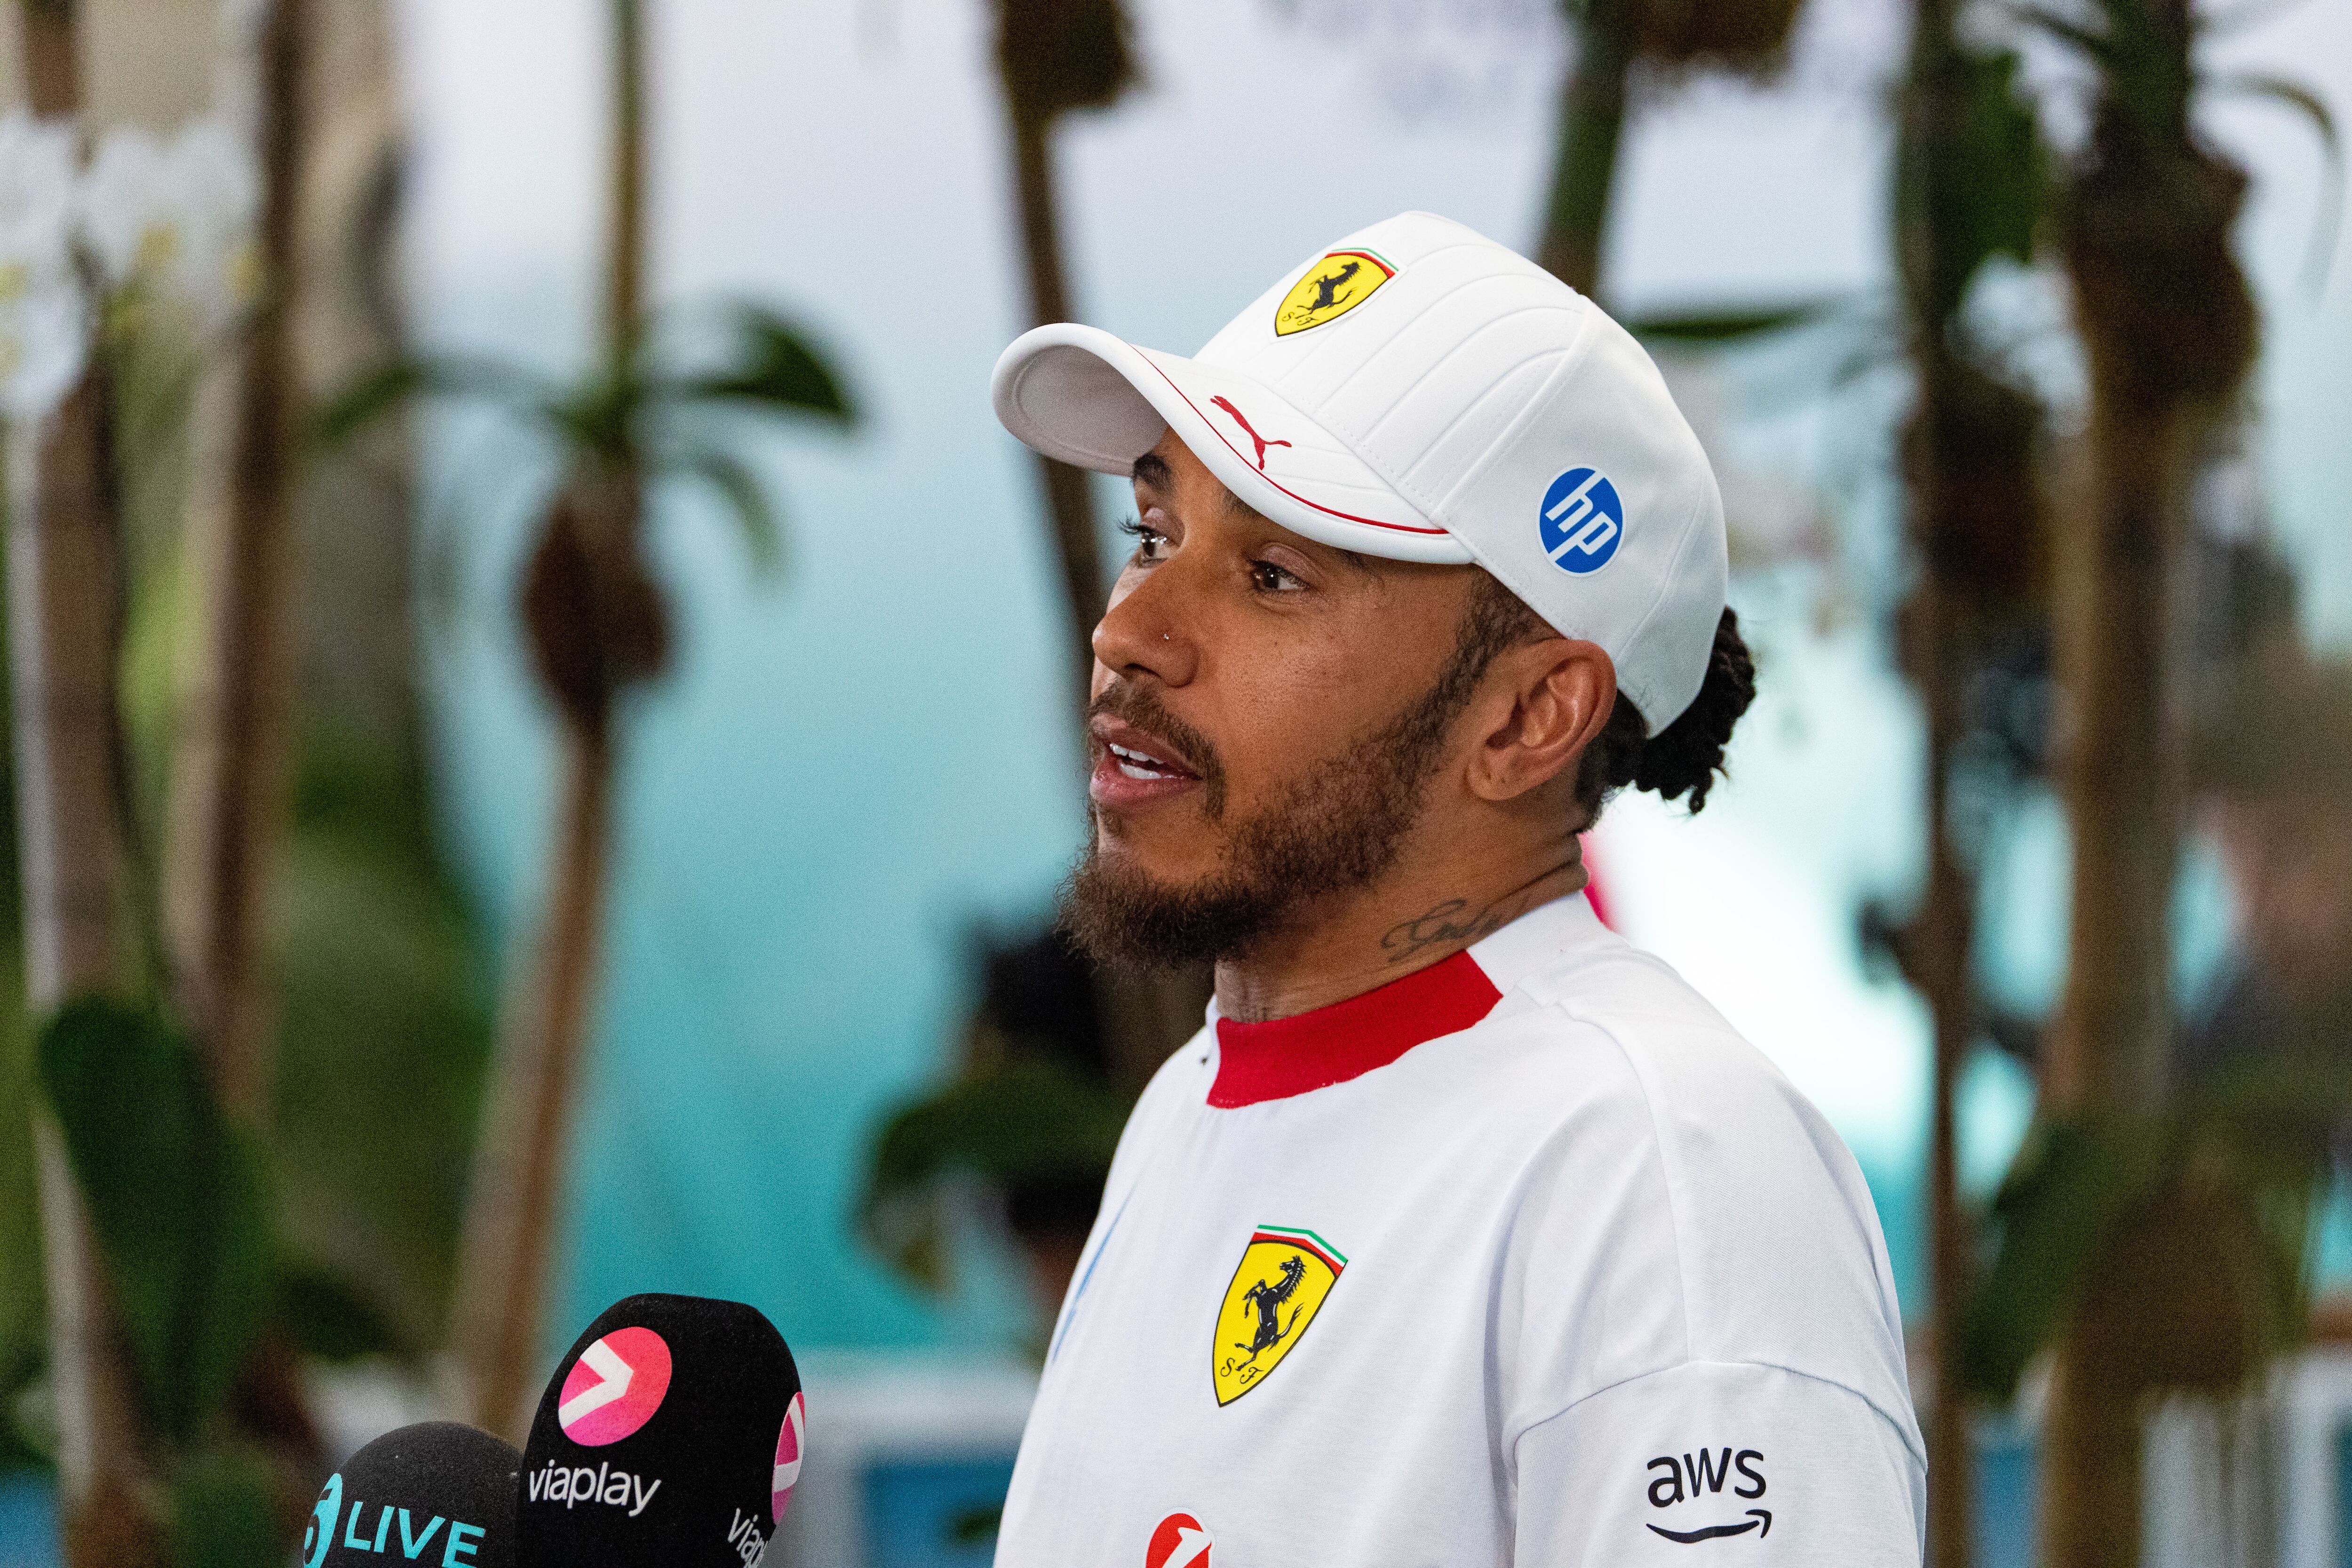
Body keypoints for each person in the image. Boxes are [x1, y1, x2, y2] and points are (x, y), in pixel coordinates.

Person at [985, 213, 1923, 1565]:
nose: (1128, 632)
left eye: (1270, 573)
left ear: (1529, 718)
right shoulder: (1195, 1100)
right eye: (1153, 529)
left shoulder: (1655, 1172)